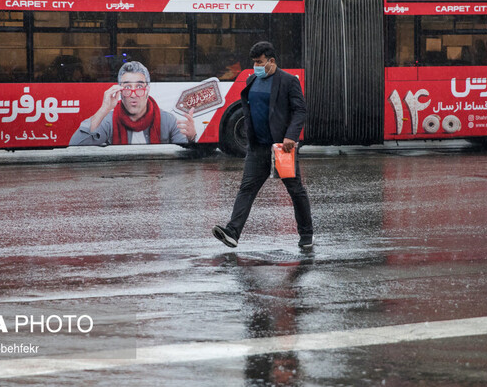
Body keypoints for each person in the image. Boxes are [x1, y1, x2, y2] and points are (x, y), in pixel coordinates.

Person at [212, 41, 314, 249]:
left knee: (295, 190)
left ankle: (306, 234)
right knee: (246, 189)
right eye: (254, 62)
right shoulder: (252, 80)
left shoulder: (287, 81)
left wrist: (290, 136)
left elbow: (300, 110)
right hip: (257, 147)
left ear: (271, 61)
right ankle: (233, 232)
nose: (256, 66)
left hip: (281, 148)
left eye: (259, 62)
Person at [69, 61, 196, 146]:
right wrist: (103, 109)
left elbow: (186, 161)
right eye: (127, 87)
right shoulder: (109, 121)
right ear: (119, 91)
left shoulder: (167, 121)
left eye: (139, 86)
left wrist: (191, 139)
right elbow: (75, 146)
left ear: (147, 90)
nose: (134, 94)